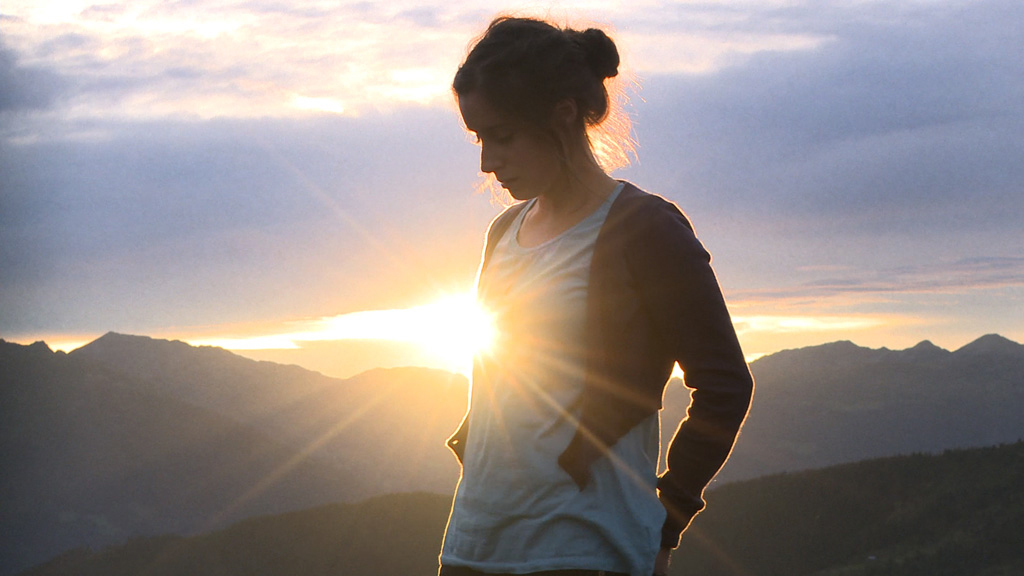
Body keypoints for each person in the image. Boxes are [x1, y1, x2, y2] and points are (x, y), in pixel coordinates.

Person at [439, 16, 754, 576]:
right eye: (479, 138)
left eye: (503, 136)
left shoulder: (645, 229)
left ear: (562, 115)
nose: (487, 162)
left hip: (587, 549)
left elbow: (724, 385)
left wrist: (669, 517)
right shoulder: (503, 233)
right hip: (472, 546)